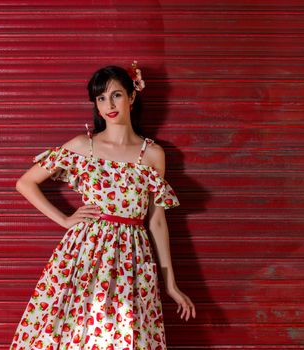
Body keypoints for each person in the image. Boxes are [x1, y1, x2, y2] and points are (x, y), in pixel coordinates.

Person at [10, 61, 195, 349]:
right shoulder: (83, 146)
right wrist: (65, 219)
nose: (108, 104)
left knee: (123, 336)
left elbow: (156, 220)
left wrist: (170, 283)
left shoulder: (153, 154)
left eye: (116, 95)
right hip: (85, 256)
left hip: (133, 259)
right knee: (74, 333)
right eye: (100, 97)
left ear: (132, 97)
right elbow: (25, 183)